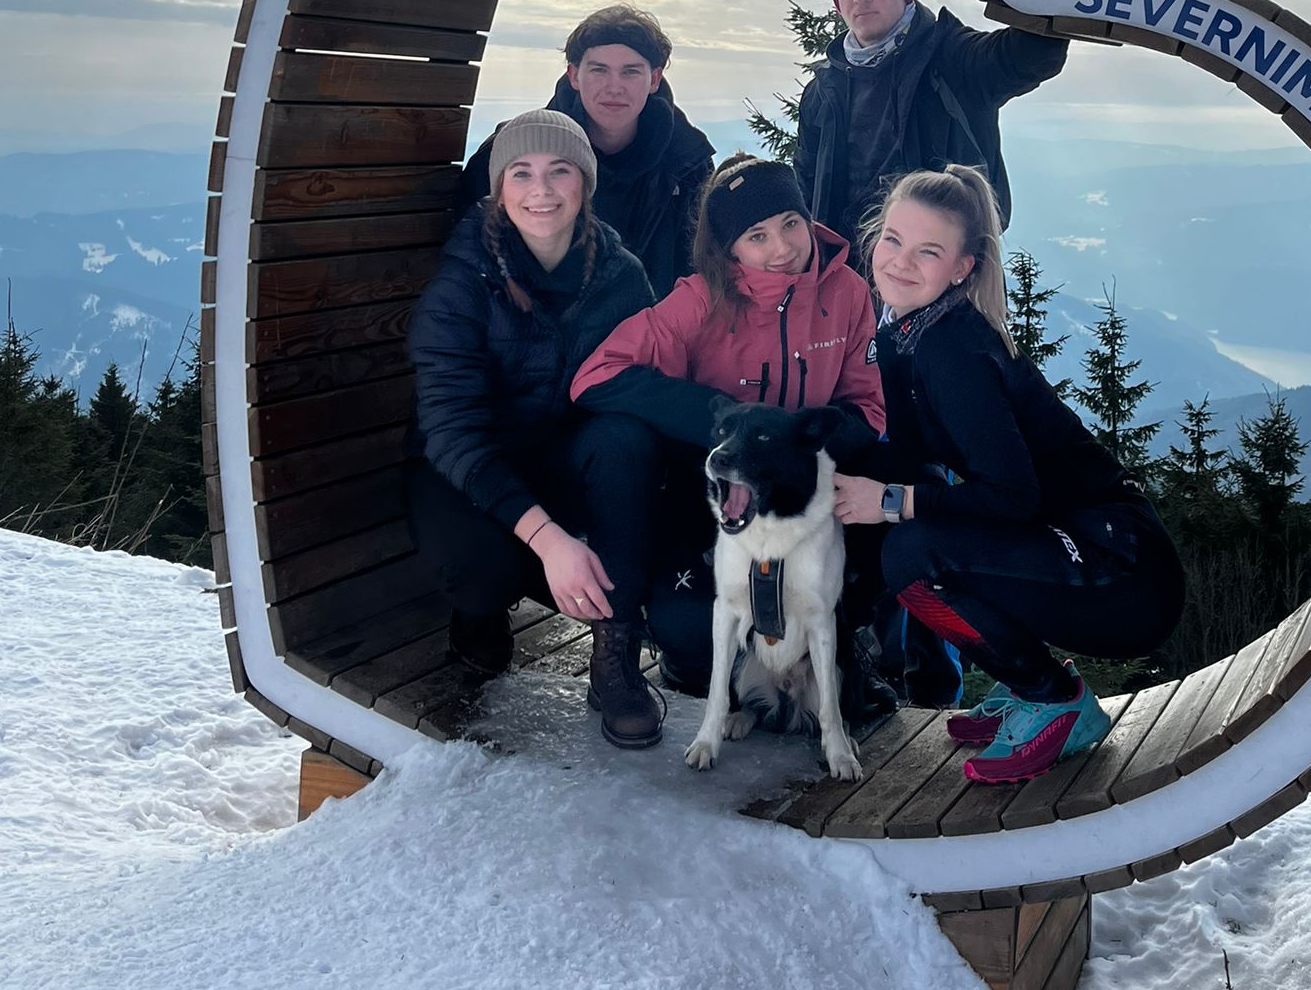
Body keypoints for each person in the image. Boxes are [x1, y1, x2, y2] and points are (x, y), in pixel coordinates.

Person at [832, 164, 1185, 784]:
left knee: (913, 554)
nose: (900, 262)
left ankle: (1054, 699)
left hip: (1123, 577)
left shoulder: (953, 351)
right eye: (892, 239)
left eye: (928, 251)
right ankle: (1029, 687)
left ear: (961, 268)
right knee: (906, 539)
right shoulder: (905, 333)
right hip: (1074, 547)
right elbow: (912, 462)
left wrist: (888, 500)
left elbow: (1011, 496)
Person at [570, 155, 888, 698]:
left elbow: (867, 407)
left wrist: (799, 453)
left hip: (808, 488)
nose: (782, 247)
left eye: (791, 223)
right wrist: (720, 419)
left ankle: (843, 637)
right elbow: (595, 376)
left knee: (903, 477)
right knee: (690, 635)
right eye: (757, 236)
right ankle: (686, 650)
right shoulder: (700, 301)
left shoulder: (847, 292)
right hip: (721, 497)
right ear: (730, 249)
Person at [405, 109, 673, 749]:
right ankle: (481, 611)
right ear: (499, 189)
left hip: (561, 457)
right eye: (521, 173)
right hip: (469, 469)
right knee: (479, 572)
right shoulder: (462, 282)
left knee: (625, 439)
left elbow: (641, 392)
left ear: (586, 183)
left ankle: (614, 655)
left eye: (560, 171)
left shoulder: (621, 276)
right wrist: (551, 542)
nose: (541, 190)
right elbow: (452, 433)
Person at [794, 0, 1069, 258]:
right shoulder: (823, 90)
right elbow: (804, 185)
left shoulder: (951, 58)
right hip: (847, 276)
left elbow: (1030, 55)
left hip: (943, 270)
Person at [460, 4, 714, 298]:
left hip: (660, 325)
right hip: (539, 325)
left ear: (654, 79)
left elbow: (706, 270)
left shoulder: (687, 163)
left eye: (630, 72)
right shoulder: (512, 153)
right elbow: (467, 258)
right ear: (574, 76)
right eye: (599, 70)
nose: (614, 87)